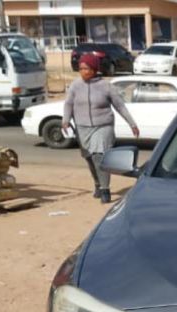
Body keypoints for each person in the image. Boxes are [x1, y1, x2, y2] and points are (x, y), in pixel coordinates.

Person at [62, 53, 139, 204]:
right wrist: (65, 120)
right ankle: (97, 183)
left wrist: (132, 123)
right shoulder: (75, 85)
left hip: (103, 126)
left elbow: (120, 106)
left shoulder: (106, 86)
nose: (83, 71)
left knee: (99, 156)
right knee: (89, 158)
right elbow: (68, 104)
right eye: (81, 68)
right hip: (82, 127)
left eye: (87, 68)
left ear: (94, 69)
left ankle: (105, 189)